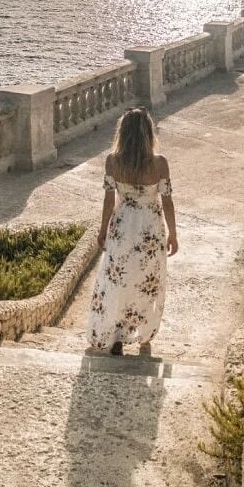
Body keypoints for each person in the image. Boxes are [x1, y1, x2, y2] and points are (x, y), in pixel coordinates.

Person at [86, 107, 178, 355]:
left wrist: (103, 229)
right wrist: (174, 234)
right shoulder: (160, 164)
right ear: (149, 133)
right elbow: (167, 201)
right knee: (147, 281)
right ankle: (144, 335)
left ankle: (115, 335)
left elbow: (108, 201)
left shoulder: (112, 161)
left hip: (122, 227)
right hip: (150, 229)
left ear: (123, 133)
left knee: (118, 280)